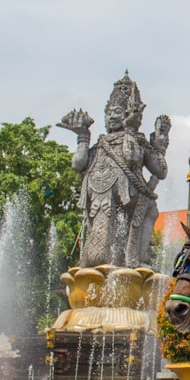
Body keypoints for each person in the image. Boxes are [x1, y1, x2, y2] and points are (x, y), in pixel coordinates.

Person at [59, 71, 170, 269]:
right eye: (108, 113)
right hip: (99, 198)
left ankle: (141, 258)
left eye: (117, 112)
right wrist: (83, 137)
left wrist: (157, 145)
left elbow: (154, 168)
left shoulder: (139, 142)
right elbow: (77, 164)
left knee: (151, 209)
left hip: (132, 201)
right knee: (100, 248)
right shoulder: (100, 144)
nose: (111, 117)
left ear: (128, 114)